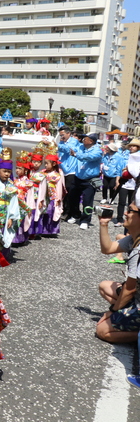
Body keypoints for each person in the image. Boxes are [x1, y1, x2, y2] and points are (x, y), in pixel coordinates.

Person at [96, 195, 140, 344]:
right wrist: (103, 224)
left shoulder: (138, 249)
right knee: (104, 287)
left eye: (130, 210)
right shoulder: (135, 237)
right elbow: (108, 248)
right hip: (137, 295)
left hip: (136, 295)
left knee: (103, 330)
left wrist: (112, 311)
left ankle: (137, 334)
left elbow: (130, 288)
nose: (125, 213)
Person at [66, 133, 103, 230]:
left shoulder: (97, 151)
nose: (83, 140)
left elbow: (89, 157)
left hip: (90, 180)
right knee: (72, 197)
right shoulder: (81, 147)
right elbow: (70, 148)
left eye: (85, 139)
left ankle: (85, 220)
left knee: (87, 201)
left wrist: (76, 154)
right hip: (78, 178)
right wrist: (62, 141)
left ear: (91, 141)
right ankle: (75, 215)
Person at [114, 138, 140, 228]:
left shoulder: (138, 159)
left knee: (132, 204)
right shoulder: (125, 157)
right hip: (125, 183)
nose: (132, 147)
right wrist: (117, 180)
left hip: (135, 185)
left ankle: (130, 220)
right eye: (131, 146)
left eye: (134, 146)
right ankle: (119, 219)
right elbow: (119, 170)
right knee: (121, 202)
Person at [57, 127, 80, 219]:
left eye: (63, 135)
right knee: (63, 192)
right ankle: (65, 210)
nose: (61, 137)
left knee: (70, 192)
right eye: (60, 135)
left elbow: (68, 150)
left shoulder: (74, 142)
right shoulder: (61, 143)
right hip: (62, 169)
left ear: (68, 133)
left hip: (71, 170)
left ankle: (71, 212)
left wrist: (56, 144)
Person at [41, 152, 65, 236]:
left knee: (51, 212)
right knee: (44, 213)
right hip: (45, 196)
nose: (45, 165)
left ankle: (51, 230)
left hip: (53, 196)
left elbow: (60, 186)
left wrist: (59, 198)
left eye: (47, 163)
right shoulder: (43, 172)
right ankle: (43, 229)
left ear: (54, 164)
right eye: (45, 163)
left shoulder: (58, 173)